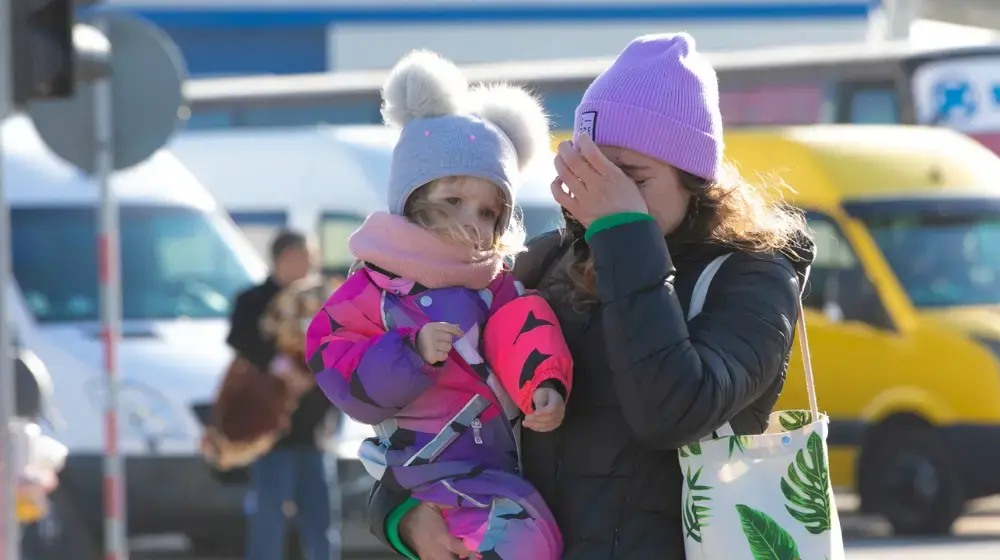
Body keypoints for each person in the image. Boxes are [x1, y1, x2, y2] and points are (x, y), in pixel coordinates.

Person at [366, 32, 817, 559]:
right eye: (595, 170)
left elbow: (672, 412)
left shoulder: (752, 278)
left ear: (694, 178)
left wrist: (625, 232)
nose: (607, 194)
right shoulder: (547, 263)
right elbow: (439, 405)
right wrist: (402, 514)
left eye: (633, 179)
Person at [305, 50, 573, 560]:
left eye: (488, 210)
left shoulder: (499, 287)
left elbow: (529, 329)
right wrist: (409, 352)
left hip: (498, 475)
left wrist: (547, 384)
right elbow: (339, 370)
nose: (472, 222)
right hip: (420, 473)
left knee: (530, 540)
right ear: (412, 198)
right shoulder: (374, 290)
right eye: (453, 200)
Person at [226, 230, 337, 560]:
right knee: (269, 515)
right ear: (285, 257)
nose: (312, 264)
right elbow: (241, 340)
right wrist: (279, 365)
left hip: (315, 429)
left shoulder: (324, 298)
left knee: (321, 519)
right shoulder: (254, 300)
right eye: (306, 256)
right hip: (269, 429)